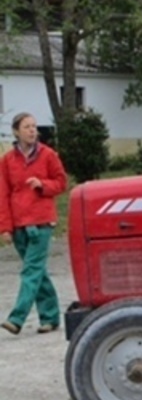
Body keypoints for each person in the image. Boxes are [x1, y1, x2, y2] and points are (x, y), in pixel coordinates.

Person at [0, 112, 68, 334]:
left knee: (30, 271)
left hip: (42, 222)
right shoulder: (7, 161)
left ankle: (17, 318)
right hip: (19, 224)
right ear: (16, 131)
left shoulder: (48, 155)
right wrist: (5, 228)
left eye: (34, 126)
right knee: (38, 272)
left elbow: (61, 183)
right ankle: (50, 318)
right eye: (27, 126)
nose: (32, 130)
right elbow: (3, 195)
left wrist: (42, 184)